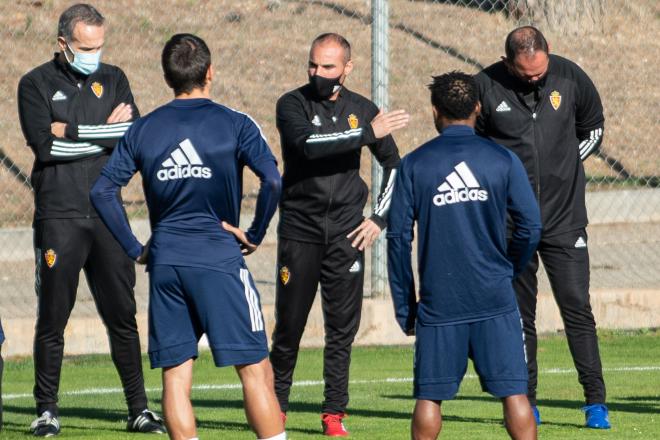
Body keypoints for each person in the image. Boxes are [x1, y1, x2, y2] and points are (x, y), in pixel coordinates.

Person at [90, 33, 285, 440]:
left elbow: (102, 191)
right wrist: (255, 232)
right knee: (253, 369)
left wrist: (136, 248)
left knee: (176, 378)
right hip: (218, 259)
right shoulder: (235, 122)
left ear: (167, 77)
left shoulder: (144, 129)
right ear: (210, 72)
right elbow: (271, 181)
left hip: (166, 262)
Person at [16, 4, 165, 436]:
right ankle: (46, 410)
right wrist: (98, 132)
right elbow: (45, 149)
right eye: (85, 47)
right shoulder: (35, 84)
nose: (94, 54)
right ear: (63, 43)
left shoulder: (114, 78)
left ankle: (139, 408)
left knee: (123, 316)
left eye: (99, 46)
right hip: (59, 217)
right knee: (53, 317)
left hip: (107, 215)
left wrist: (71, 129)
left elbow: (130, 138)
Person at [387, 71, 541, 440]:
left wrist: (405, 306)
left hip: (440, 304)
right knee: (514, 393)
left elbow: (397, 239)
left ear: (435, 111)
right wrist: (508, 269)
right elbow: (531, 226)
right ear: (477, 108)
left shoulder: (414, 164)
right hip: (494, 297)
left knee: (429, 397)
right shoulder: (502, 159)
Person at [269, 32, 408, 436]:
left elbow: (394, 166)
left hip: (348, 235)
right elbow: (308, 145)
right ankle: (275, 409)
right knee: (289, 327)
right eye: (313, 65)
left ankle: (333, 414)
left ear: (347, 68)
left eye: (328, 67)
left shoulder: (363, 109)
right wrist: (368, 132)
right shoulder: (291, 104)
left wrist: (378, 219)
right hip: (300, 231)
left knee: (342, 329)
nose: (318, 73)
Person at [474, 26, 610, 428]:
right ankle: (527, 401)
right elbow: (476, 146)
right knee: (519, 315)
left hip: (565, 220)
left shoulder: (570, 77)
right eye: (526, 73)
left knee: (577, 308)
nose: (535, 78)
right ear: (507, 63)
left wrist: (568, 163)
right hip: (511, 225)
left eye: (540, 71)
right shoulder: (486, 86)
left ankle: (595, 402)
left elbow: (594, 126)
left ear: (549, 54)